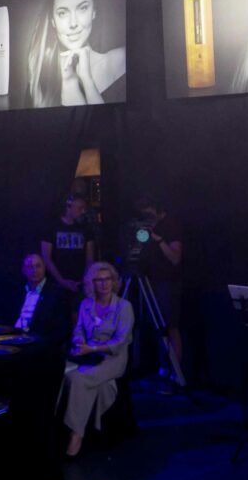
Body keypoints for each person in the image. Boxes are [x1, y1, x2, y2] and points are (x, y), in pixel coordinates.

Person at [61, 262, 133, 456]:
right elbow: (78, 330)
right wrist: (79, 342)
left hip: (113, 358)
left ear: (114, 281)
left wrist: (91, 348)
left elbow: (120, 342)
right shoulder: (86, 304)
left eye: (108, 279)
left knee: (76, 378)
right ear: (92, 283)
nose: (104, 284)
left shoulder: (124, 307)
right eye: (99, 280)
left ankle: (76, 434)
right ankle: (87, 426)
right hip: (88, 355)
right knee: (64, 374)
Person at [25, 0, 126, 106]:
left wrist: (87, 80)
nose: (73, 23)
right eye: (62, 13)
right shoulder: (38, 82)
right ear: (53, 21)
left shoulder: (120, 61)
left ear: (94, 12)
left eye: (83, 8)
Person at [134, 195, 184, 376]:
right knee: (157, 326)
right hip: (150, 281)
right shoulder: (148, 226)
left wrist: (159, 240)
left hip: (168, 283)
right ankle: (163, 367)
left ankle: (175, 372)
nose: (146, 216)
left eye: (148, 212)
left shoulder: (171, 225)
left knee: (170, 326)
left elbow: (175, 258)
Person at [9, 253, 73, 343]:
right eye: (30, 267)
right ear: (24, 270)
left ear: (44, 268)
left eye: (38, 266)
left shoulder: (57, 293)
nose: (34, 270)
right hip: (15, 339)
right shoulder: (17, 292)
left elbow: (62, 328)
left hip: (40, 343)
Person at [42, 194, 98, 295]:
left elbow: (90, 259)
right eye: (80, 208)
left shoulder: (86, 228)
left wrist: (85, 280)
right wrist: (62, 281)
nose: (83, 212)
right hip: (56, 284)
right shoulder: (51, 227)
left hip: (79, 284)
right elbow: (46, 258)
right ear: (68, 207)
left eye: (84, 208)